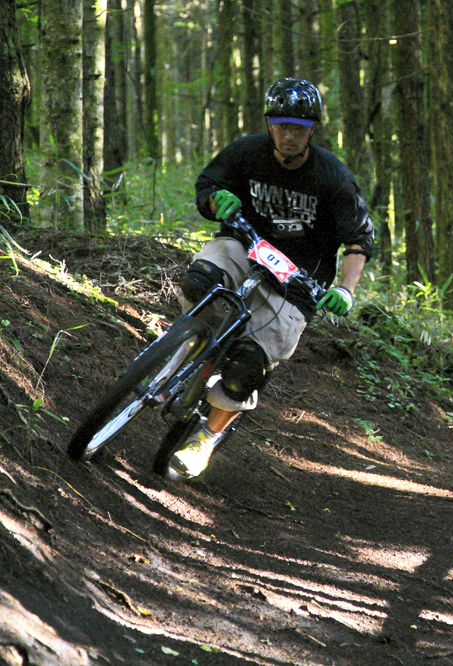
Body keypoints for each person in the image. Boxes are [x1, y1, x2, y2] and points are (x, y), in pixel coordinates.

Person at [168, 77, 375, 479]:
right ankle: (183, 351)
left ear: (312, 129)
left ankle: (204, 442)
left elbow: (359, 241)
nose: (289, 134)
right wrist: (215, 200)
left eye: (298, 127)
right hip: (244, 246)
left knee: (247, 368)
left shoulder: (333, 177)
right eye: (281, 124)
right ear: (269, 124)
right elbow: (209, 184)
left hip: (298, 283)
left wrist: (345, 291)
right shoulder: (247, 152)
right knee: (200, 283)